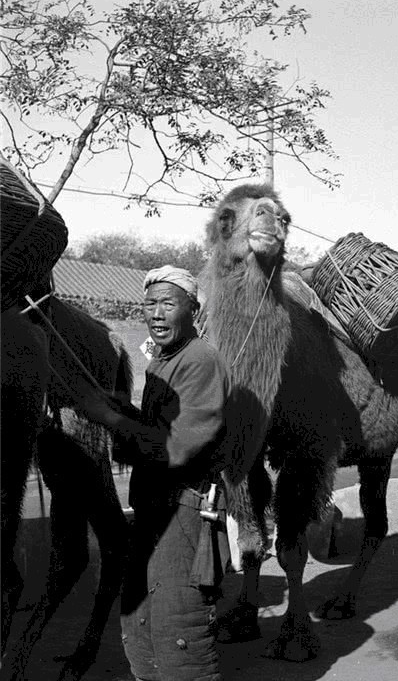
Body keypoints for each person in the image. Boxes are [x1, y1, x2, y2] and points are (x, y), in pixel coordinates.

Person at [107, 265, 231, 681]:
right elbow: (154, 434)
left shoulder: (200, 360)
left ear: (192, 310)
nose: (156, 314)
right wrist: (123, 416)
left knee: (180, 624)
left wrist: (116, 420)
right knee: (141, 618)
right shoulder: (162, 364)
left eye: (168, 303)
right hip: (153, 505)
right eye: (149, 304)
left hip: (184, 508)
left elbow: (178, 446)